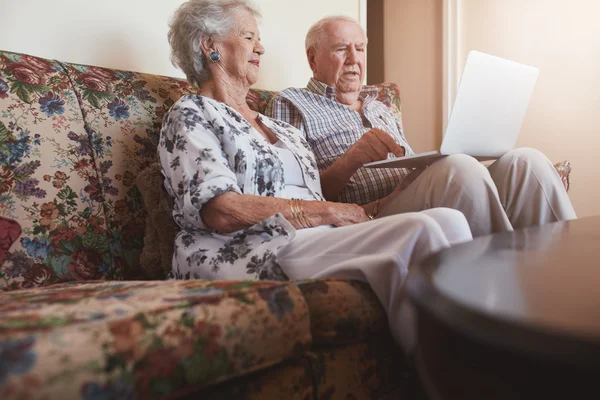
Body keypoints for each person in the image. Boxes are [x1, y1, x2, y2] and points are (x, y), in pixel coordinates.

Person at [160, 0, 472, 350]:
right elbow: (220, 209)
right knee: (424, 230)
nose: (260, 47)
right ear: (209, 44)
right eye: (249, 37)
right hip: (256, 244)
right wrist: (328, 212)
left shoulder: (279, 128)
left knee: (448, 219)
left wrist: (393, 196)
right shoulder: (191, 113)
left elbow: (322, 197)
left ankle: (485, 357)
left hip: (315, 234)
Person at [266, 16, 577, 237]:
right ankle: (503, 293)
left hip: (414, 192)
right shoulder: (291, 103)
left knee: (527, 161)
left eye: (360, 48)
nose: (354, 59)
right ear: (312, 58)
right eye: (340, 49)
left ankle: (571, 280)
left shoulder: (380, 104)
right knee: (458, 168)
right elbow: (294, 196)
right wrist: (351, 161)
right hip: (369, 214)